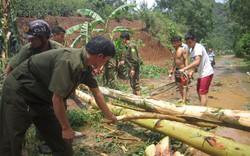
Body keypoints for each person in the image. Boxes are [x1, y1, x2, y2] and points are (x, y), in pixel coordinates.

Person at [0, 35, 117, 156]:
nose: (105, 63)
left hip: (42, 99)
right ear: (99, 56)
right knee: (11, 142)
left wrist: (110, 116)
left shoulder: (85, 66)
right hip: (20, 92)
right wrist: (66, 128)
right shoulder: (69, 62)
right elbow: (57, 98)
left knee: (63, 145)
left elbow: (96, 92)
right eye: (106, 59)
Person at [179, 32, 214, 106]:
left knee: (202, 93)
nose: (188, 44)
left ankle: (202, 113)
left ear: (194, 40)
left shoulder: (198, 47)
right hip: (201, 74)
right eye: (187, 43)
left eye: (190, 42)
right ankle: (202, 108)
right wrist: (191, 72)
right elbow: (195, 64)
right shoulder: (192, 49)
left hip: (207, 73)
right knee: (198, 91)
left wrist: (184, 69)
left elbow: (197, 62)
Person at [169, 36, 189, 104]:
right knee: (179, 85)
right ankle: (182, 97)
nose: (173, 44)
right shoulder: (174, 52)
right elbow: (174, 61)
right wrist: (172, 69)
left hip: (183, 69)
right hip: (177, 70)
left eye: (175, 43)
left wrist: (186, 69)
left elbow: (186, 59)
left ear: (179, 43)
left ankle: (184, 99)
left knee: (184, 85)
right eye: (172, 43)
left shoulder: (182, 50)